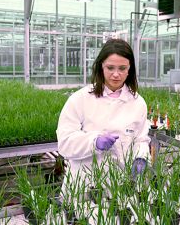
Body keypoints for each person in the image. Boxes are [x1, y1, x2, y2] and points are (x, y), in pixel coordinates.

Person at [56, 39, 150, 192]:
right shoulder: (80, 99)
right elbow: (65, 143)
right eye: (110, 67)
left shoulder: (138, 103)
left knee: (117, 214)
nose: (116, 74)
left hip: (120, 182)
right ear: (101, 66)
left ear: (129, 69)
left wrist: (141, 157)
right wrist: (94, 142)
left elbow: (141, 139)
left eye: (122, 68)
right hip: (84, 182)